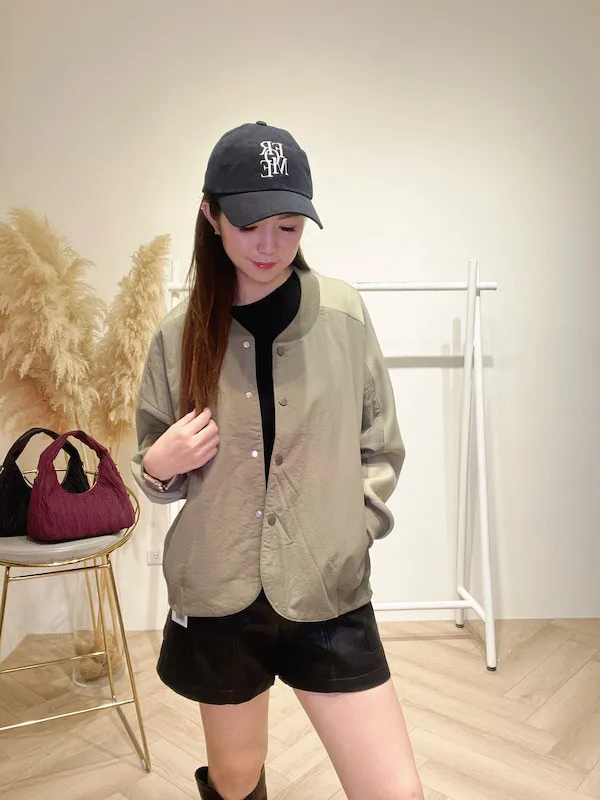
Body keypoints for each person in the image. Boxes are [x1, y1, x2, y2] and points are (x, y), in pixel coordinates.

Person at [131, 121, 424, 800]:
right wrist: (160, 463)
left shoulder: (344, 315)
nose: (269, 246)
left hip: (327, 589)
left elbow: (380, 443)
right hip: (219, 595)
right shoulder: (177, 336)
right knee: (235, 778)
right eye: (249, 225)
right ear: (211, 216)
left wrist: (354, 529)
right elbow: (151, 463)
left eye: (289, 227)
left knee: (395, 791)